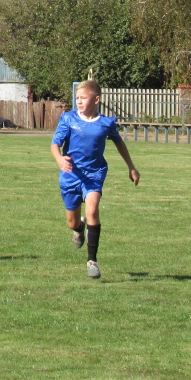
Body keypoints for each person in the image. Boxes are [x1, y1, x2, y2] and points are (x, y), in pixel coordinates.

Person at [50, 80, 139, 279]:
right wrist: (59, 159)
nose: (79, 101)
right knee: (71, 223)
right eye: (77, 98)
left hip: (94, 173)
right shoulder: (68, 119)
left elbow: (119, 144)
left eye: (83, 98)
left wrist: (131, 167)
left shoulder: (106, 123)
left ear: (96, 99)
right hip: (71, 174)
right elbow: (55, 144)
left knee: (92, 209)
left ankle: (92, 261)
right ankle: (79, 229)